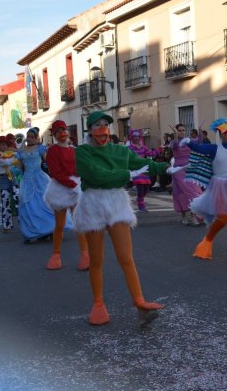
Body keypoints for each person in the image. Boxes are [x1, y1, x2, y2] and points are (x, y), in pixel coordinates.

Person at [73, 111, 167, 327]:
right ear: (89, 129)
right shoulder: (82, 152)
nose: (103, 130)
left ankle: (140, 302)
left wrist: (166, 168)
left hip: (116, 203)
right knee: (96, 260)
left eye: (106, 125)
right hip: (93, 204)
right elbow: (96, 175)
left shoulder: (119, 150)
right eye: (97, 125)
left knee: (126, 257)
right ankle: (98, 304)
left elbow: (140, 163)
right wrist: (126, 175)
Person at [182, 118, 227, 261]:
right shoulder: (215, 148)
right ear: (220, 134)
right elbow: (200, 148)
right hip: (220, 187)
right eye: (225, 132)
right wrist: (189, 142)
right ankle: (206, 241)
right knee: (222, 219)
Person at [43, 120, 89, 271]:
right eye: (59, 131)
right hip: (60, 189)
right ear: (55, 135)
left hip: (75, 187)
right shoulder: (52, 150)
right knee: (60, 225)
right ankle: (56, 254)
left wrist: (80, 178)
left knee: (78, 222)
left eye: (64, 130)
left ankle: (85, 254)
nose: (62, 133)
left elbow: (78, 167)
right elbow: (55, 172)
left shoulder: (74, 150)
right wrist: (71, 183)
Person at [17, 127, 67, 243]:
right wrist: (15, 169)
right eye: (28, 136)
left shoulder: (40, 148)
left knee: (45, 204)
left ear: (36, 138)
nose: (29, 139)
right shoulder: (21, 151)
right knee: (28, 205)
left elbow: (48, 161)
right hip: (27, 180)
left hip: (40, 179)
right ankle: (31, 232)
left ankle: (50, 229)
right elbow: (19, 166)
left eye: (31, 137)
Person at [169, 123, 203, 225]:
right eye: (180, 130)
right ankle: (184, 216)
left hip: (189, 168)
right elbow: (175, 145)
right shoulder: (172, 142)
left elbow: (198, 142)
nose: (182, 132)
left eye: (183, 130)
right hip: (178, 170)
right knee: (181, 193)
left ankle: (193, 216)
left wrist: (200, 131)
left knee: (195, 192)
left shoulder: (188, 141)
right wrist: (175, 136)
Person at [0, 135, 20, 232]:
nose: (4, 146)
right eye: (2, 145)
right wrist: (14, 157)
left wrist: (15, 155)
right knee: (5, 201)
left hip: (13, 177)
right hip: (3, 178)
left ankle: (23, 222)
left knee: (18, 199)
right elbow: (7, 162)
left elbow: (17, 158)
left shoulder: (11, 153)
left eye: (6, 145)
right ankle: (6, 225)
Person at [127, 129, 158, 212]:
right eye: (134, 136)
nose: (136, 138)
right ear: (132, 137)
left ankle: (140, 200)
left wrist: (159, 149)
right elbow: (125, 158)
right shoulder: (129, 148)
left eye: (137, 136)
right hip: (136, 170)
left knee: (146, 189)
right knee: (140, 188)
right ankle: (141, 205)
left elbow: (151, 154)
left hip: (144, 170)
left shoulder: (143, 147)